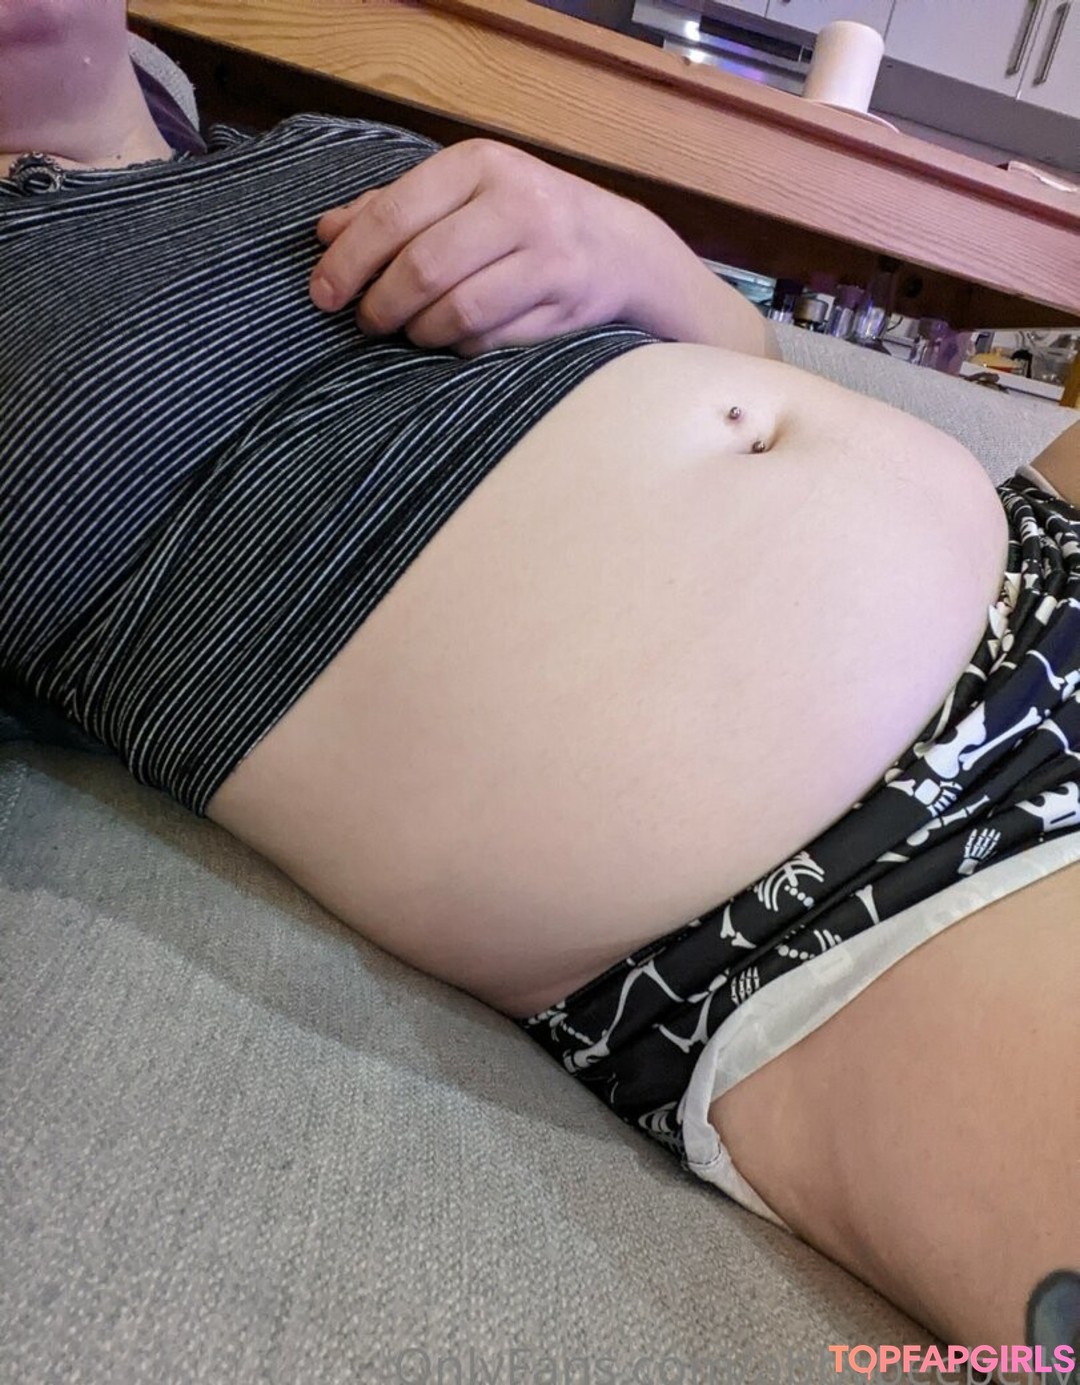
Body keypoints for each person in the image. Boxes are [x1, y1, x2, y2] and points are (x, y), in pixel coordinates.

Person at [2, 0, 1077, 1355]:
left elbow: (741, 366)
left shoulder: (317, 150)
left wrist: (634, 250)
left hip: (1033, 552)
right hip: (853, 887)